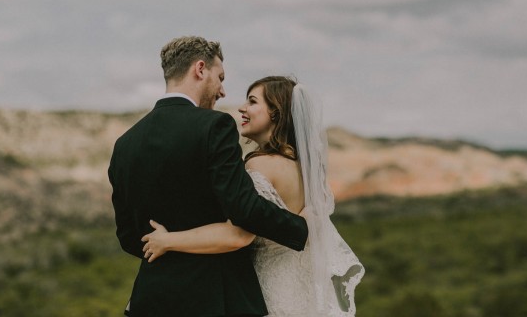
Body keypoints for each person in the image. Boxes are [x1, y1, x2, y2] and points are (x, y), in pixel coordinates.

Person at [108, 37, 309, 317]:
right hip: (214, 299)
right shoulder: (214, 126)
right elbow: (243, 209)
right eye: (220, 78)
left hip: (149, 300)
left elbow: (128, 236)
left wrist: (165, 244)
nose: (223, 91)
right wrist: (301, 227)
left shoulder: (125, 143)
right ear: (200, 69)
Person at [142, 76, 365, 316]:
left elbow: (239, 233)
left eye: (252, 101)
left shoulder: (259, 165)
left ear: (275, 113)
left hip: (263, 289)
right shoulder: (306, 169)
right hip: (300, 288)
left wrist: (167, 241)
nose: (242, 108)